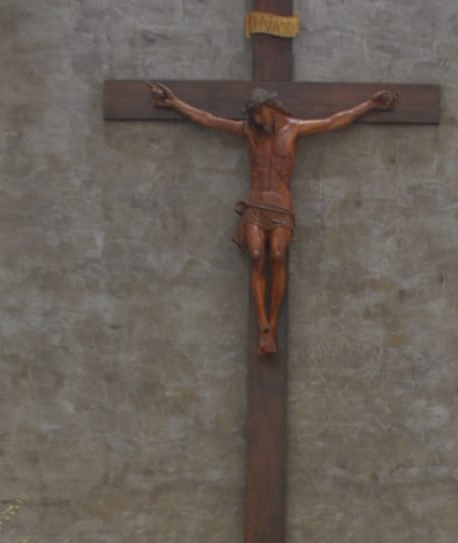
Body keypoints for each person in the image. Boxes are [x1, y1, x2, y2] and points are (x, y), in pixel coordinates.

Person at [148, 83, 397, 355]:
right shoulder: (248, 132)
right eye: (252, 116)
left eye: (258, 114)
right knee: (256, 254)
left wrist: (370, 105)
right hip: (255, 204)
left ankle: (273, 324)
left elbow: (333, 121)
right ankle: (263, 324)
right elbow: (209, 120)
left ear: (270, 108)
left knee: (277, 254)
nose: (255, 120)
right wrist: (174, 102)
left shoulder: (294, 128)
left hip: (281, 208)